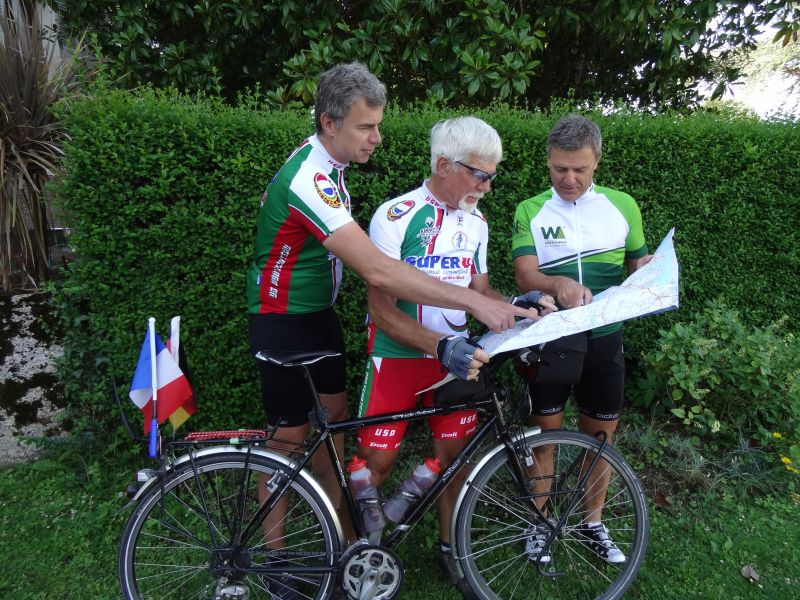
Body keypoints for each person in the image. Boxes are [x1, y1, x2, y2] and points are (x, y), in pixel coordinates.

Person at [246, 64, 537, 562]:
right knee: (287, 444)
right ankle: (276, 562)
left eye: (378, 125)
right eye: (366, 126)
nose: (378, 138)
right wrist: (471, 303)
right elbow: (378, 274)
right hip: (283, 320)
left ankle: (337, 551)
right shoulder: (311, 176)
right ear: (328, 122)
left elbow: (477, 285)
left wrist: (505, 305)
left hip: (319, 318)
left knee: (332, 439)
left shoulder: (330, 170)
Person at [356, 116, 555, 598]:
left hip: (458, 359)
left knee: (455, 461)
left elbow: (481, 294)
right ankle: (355, 554)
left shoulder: (478, 222)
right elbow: (378, 309)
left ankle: (451, 550)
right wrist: (436, 346)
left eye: (492, 176)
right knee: (374, 466)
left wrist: (519, 308)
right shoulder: (395, 215)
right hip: (398, 359)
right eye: (479, 175)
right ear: (444, 165)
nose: (486, 187)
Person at [511, 114, 652, 565]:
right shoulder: (531, 209)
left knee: (600, 440)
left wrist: (652, 274)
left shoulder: (623, 206)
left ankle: (592, 521)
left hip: (606, 340)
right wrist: (557, 286)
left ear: (597, 163)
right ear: (548, 162)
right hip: (552, 341)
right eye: (559, 169)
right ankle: (539, 522)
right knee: (544, 438)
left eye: (580, 170)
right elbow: (526, 273)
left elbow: (638, 263)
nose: (568, 179)